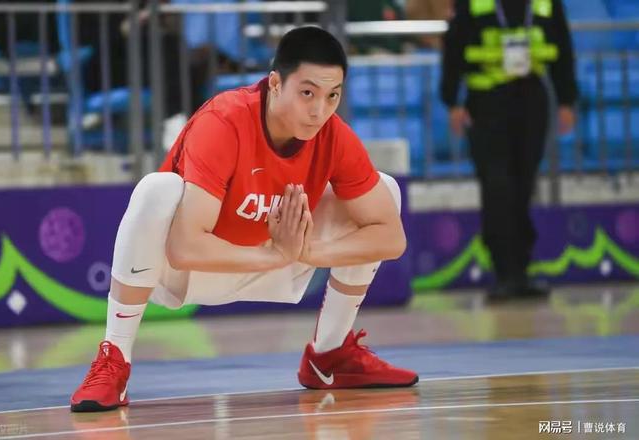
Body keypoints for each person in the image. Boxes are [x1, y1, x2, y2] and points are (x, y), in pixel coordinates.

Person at [70, 26, 418, 412]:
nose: (319, 110)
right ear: (275, 84)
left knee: (384, 190)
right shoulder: (224, 120)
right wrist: (276, 254)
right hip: (188, 270)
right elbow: (185, 247)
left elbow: (392, 239)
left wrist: (305, 252)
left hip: (275, 262)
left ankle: (330, 356)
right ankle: (114, 358)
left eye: (332, 95)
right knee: (156, 189)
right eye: (307, 93)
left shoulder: (332, 134)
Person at [440, 0, 577, 300]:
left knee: (523, 185)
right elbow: (453, 47)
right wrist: (452, 101)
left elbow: (563, 46)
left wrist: (567, 99)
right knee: (497, 186)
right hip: (486, 102)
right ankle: (504, 273)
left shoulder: (545, 2)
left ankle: (522, 272)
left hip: (531, 100)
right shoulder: (472, 3)